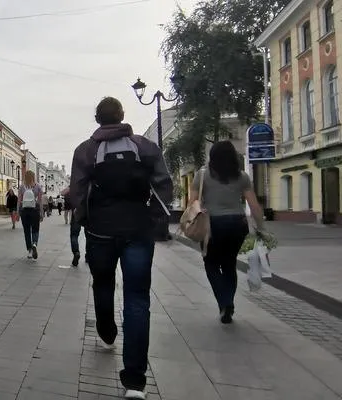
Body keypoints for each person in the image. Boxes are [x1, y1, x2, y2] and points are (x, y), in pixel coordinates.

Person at [70, 97, 173, 399]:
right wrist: (153, 217)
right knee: (137, 299)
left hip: (100, 231)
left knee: (103, 283)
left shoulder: (86, 150)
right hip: (138, 231)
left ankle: (106, 329)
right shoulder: (144, 147)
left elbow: (77, 192)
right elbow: (164, 184)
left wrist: (84, 219)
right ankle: (135, 382)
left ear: (98, 119)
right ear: (122, 116)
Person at [191, 141, 264, 324]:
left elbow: (193, 203)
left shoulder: (202, 175)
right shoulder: (242, 177)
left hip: (212, 225)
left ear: (212, 156)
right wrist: (261, 228)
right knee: (229, 264)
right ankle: (228, 301)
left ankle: (224, 303)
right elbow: (254, 205)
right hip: (238, 224)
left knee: (211, 264)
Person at [19, 170, 44, 260]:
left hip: (24, 211)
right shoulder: (38, 186)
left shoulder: (22, 187)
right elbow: (40, 201)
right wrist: (41, 212)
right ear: (34, 177)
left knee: (27, 231)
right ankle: (34, 244)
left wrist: (18, 212)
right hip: (35, 210)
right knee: (35, 229)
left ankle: (30, 251)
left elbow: (19, 200)